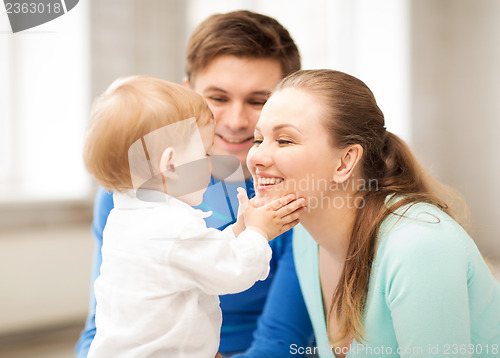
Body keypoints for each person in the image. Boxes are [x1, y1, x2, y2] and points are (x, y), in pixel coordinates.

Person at [76, 10, 315, 358]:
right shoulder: (125, 192)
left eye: (258, 101)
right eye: (217, 99)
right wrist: (255, 233)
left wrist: (240, 231)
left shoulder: (301, 196)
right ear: (186, 95)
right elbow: (103, 326)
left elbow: (281, 341)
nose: (235, 121)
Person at [247, 69, 500, 358]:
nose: (255, 158)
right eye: (258, 140)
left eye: (284, 140)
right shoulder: (304, 236)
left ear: (345, 162)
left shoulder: (419, 245)